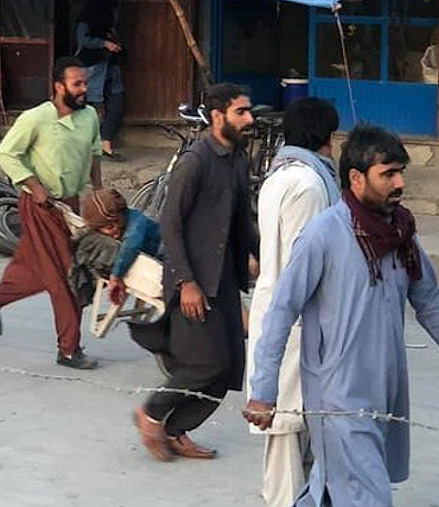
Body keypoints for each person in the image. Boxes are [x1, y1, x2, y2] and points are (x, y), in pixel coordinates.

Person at [244, 124, 439, 507]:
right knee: (368, 497)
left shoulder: (401, 234)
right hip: (338, 398)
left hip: (386, 390)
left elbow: (428, 300)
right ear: (356, 178)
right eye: (388, 174)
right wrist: (264, 392)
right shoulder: (323, 235)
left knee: (333, 489)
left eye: (401, 173)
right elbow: (280, 313)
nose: (399, 184)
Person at [132, 82, 257, 462]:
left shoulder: (238, 159)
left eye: (249, 111)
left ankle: (176, 430)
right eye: (241, 112)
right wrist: (187, 282)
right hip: (193, 281)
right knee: (206, 364)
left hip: (224, 280)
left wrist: (263, 258)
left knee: (229, 366)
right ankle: (151, 413)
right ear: (218, 116)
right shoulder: (195, 161)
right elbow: (170, 223)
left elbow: (241, 222)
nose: (250, 119)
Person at [0, 56, 102, 369]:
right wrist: (35, 186)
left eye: (85, 83)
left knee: (34, 268)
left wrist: (98, 192)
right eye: (77, 84)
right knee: (65, 276)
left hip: (70, 206)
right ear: (59, 87)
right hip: (40, 205)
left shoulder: (90, 117)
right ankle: (69, 350)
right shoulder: (36, 118)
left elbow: (95, 153)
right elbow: (6, 154)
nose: (84, 89)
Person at [246, 97, 340, 507]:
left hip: (282, 309)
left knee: (297, 423)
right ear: (326, 138)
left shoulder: (280, 174)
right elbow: (306, 263)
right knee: (286, 427)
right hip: (296, 317)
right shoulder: (307, 184)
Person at [79, 187, 160, 305]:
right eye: (109, 228)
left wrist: (116, 276)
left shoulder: (136, 220)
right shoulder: (98, 234)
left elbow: (131, 245)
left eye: (119, 223)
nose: (116, 229)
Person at [75, 0, 124, 159]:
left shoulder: (111, 8)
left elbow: (111, 30)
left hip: (110, 65)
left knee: (118, 102)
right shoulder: (89, 13)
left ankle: (106, 142)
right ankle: (81, 146)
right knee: (87, 106)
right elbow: (82, 40)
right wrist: (103, 43)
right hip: (91, 65)